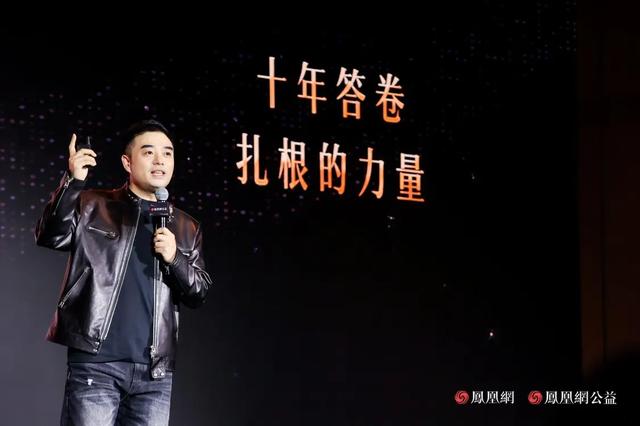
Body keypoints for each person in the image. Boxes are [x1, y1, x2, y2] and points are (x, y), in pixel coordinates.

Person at [35, 119, 212, 425]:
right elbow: (50, 236)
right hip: (96, 365)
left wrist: (174, 258)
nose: (160, 161)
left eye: (167, 153)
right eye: (149, 152)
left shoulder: (185, 226)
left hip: (154, 375)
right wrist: (72, 182)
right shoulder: (93, 204)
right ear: (127, 162)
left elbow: (198, 292)